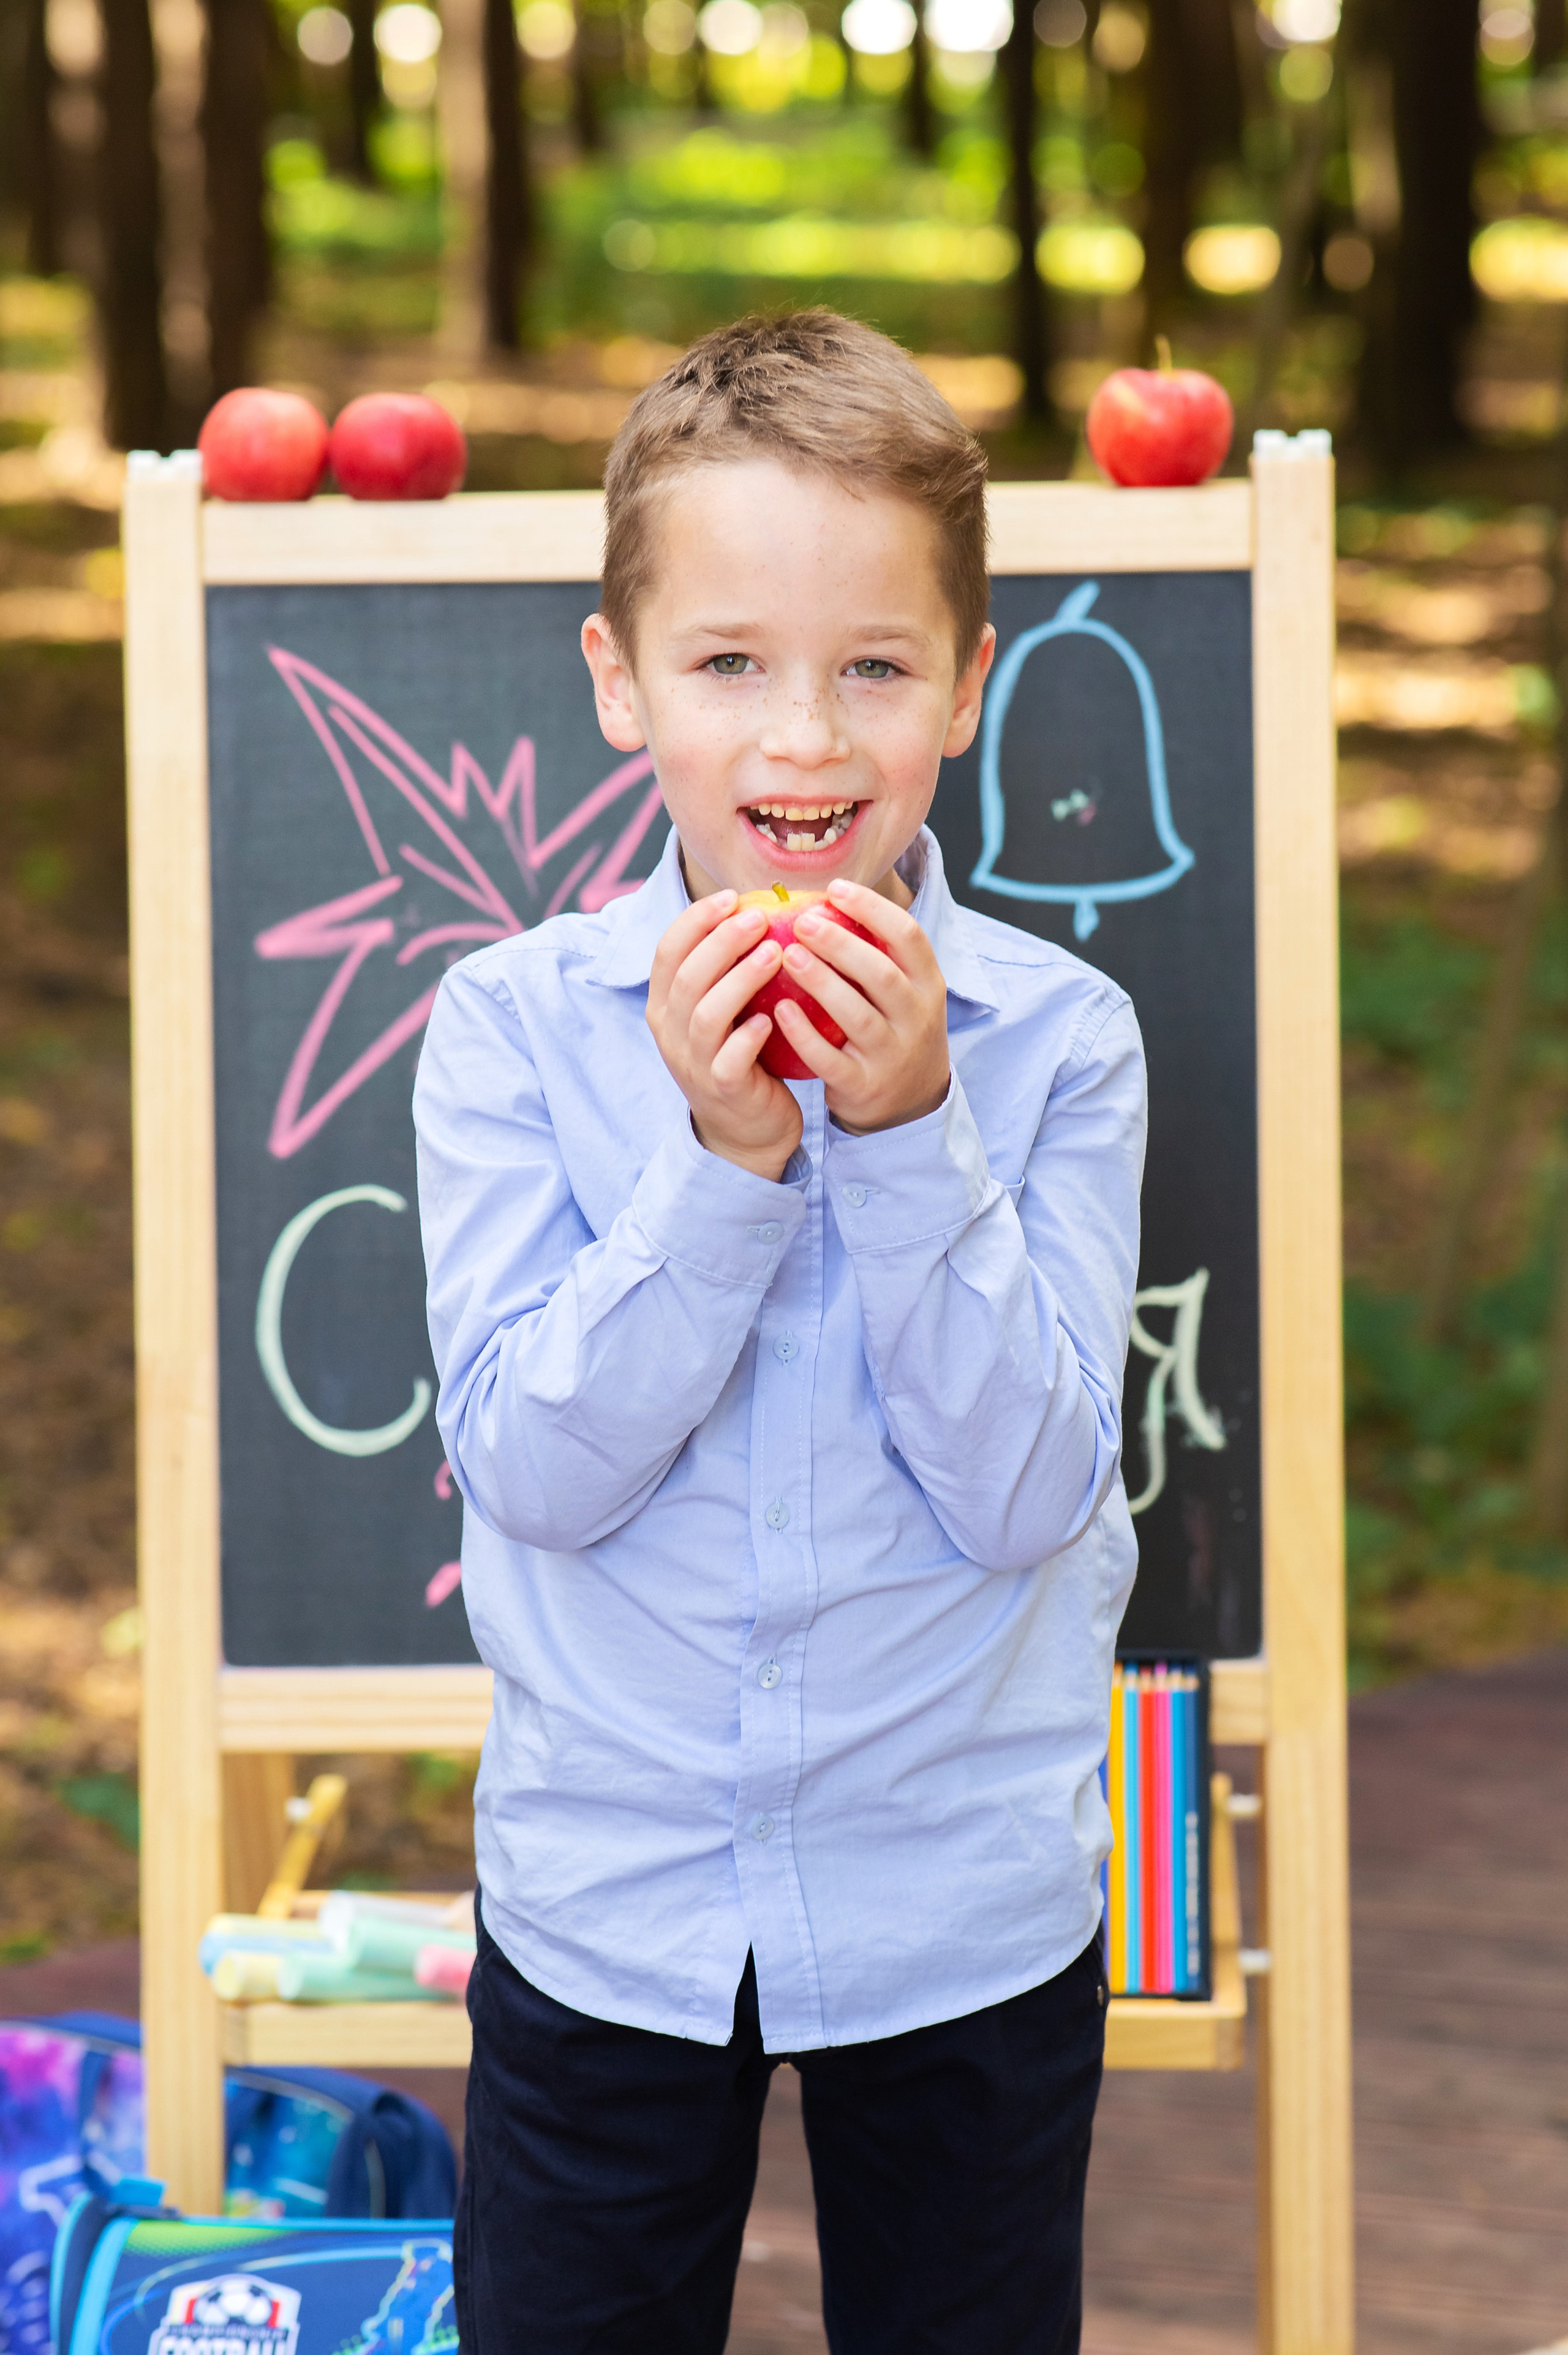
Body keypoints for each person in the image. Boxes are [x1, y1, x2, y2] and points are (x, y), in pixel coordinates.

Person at [413, 308, 1147, 2355]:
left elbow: (1027, 1497)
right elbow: (537, 1470)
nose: (803, 741)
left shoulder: (1059, 1043)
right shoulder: (511, 1031)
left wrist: (907, 1135)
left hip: (963, 1893)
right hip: (611, 1894)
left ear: (969, 689)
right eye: (729, 662)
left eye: (875, 668)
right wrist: (722, 1166)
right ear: (620, 681)